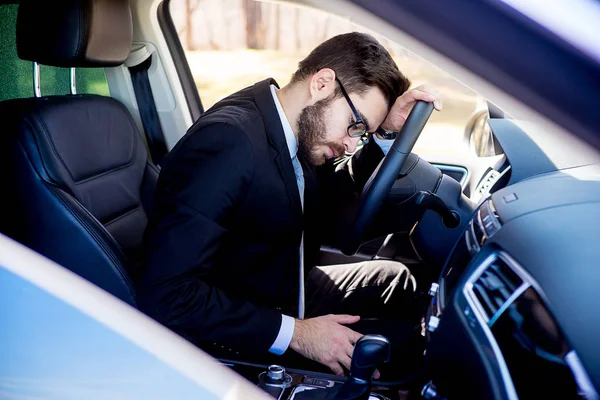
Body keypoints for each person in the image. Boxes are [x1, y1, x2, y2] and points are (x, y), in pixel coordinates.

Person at [137, 32, 442, 377]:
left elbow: (331, 205)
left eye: (362, 134)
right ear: (323, 84)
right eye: (355, 127)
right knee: (409, 349)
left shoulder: (294, 129)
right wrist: (298, 334)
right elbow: (165, 293)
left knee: (398, 282)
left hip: (284, 284)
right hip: (238, 332)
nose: (350, 144)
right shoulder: (228, 143)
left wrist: (384, 133)